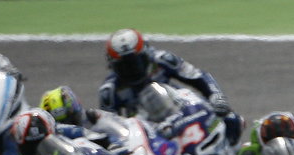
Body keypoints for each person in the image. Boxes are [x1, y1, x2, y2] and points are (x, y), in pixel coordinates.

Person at [97, 29, 240, 141]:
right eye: (124, 66)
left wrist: (216, 96)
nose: (131, 70)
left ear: (146, 53)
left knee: (231, 120)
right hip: (152, 132)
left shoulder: (164, 60)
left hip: (183, 111)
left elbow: (198, 77)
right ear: (113, 66)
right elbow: (111, 127)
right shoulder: (109, 91)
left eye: (135, 63)